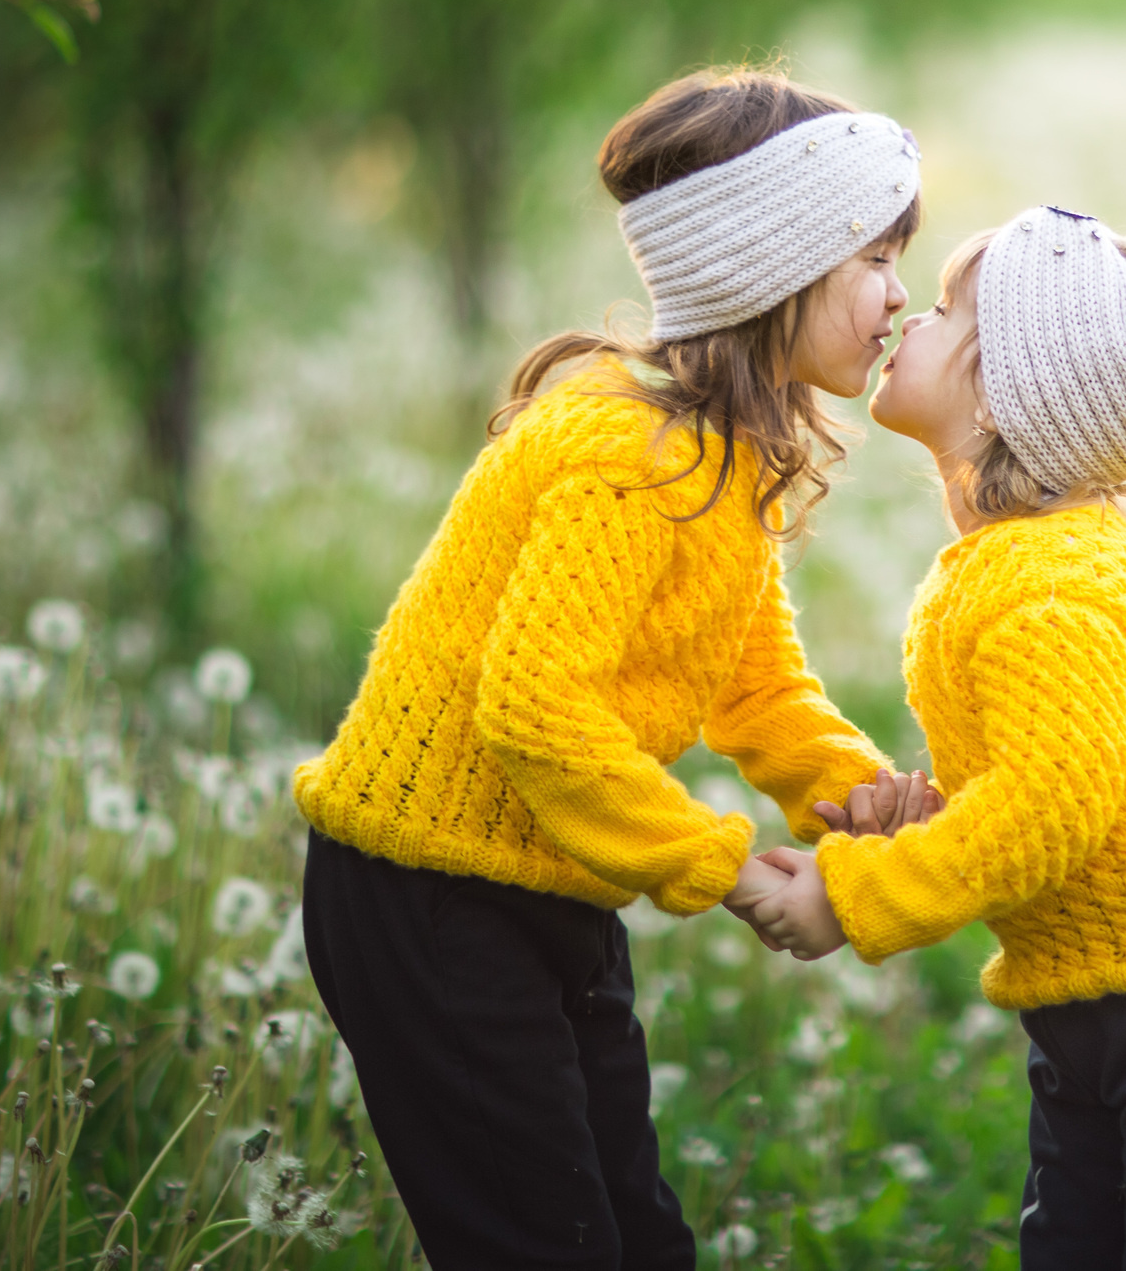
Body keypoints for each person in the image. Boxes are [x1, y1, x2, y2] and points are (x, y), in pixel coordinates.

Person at [293, 66, 939, 1270]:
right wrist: (729, 869)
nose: (898, 299)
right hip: (427, 889)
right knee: (543, 1243)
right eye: (875, 262)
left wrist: (848, 797)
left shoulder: (723, 449)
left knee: (634, 1234)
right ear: (772, 267)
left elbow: (755, 684)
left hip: (548, 872)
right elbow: (534, 714)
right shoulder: (631, 454)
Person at [741, 204, 1126, 1271]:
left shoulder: (1048, 587)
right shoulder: (1015, 564)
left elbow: (1050, 812)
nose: (905, 322)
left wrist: (850, 893)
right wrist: (920, 822)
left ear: (1007, 385)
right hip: (1096, 998)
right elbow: (1035, 783)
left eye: (939, 310)